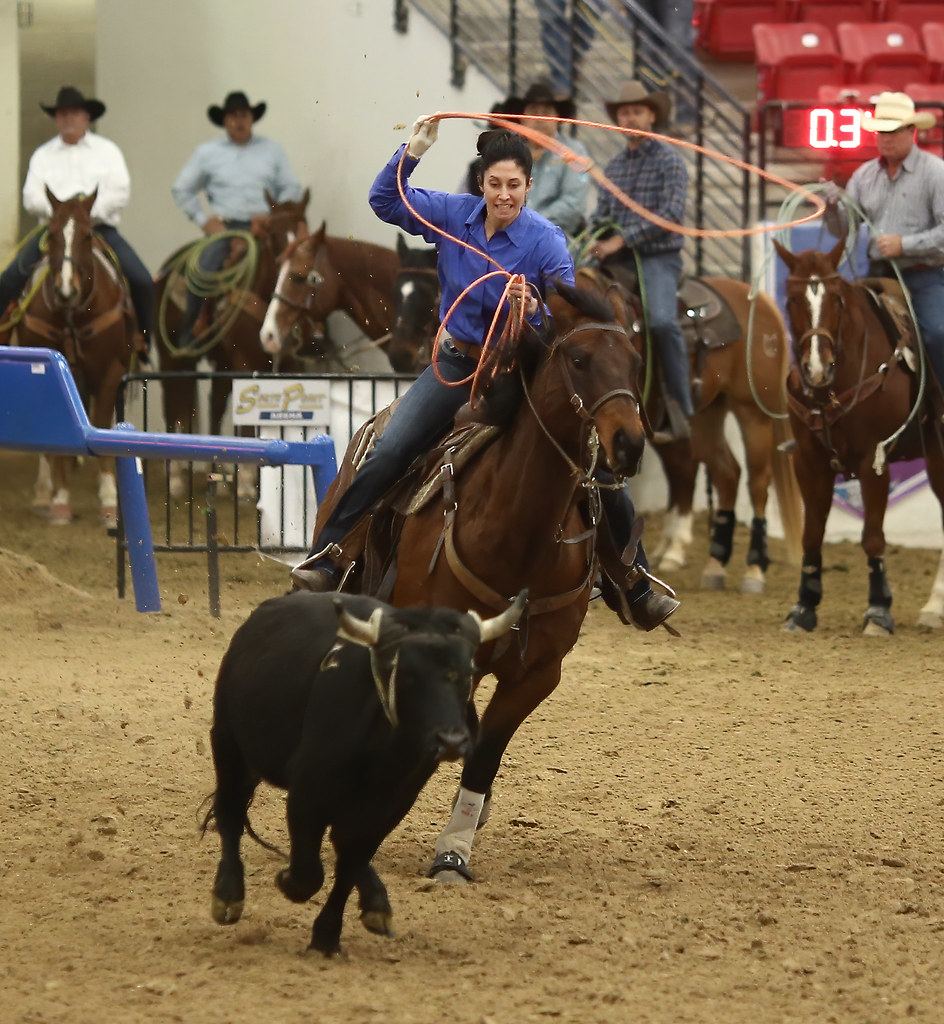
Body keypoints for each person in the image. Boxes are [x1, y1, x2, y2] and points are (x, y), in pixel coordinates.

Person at [291, 117, 679, 631]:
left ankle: (632, 582)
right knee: (392, 448)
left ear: (528, 187)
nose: (504, 195)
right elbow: (385, 202)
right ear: (482, 185)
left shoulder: (546, 241)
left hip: (523, 365)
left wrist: (534, 308)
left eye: (513, 185)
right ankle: (328, 556)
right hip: (457, 362)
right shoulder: (452, 215)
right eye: (495, 184)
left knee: (594, 464)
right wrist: (412, 151)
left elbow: (566, 311)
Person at [0, 85, 154, 350]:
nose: (68, 118)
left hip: (98, 229)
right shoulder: (43, 155)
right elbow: (31, 197)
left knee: (142, 280)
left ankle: (142, 339)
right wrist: (62, 215)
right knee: (10, 278)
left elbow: (120, 191)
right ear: (56, 119)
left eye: (74, 113)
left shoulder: (107, 151)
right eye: (62, 114)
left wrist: (85, 215)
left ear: (86, 118)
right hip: (55, 231)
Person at [589, 80, 692, 442]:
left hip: (658, 257)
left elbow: (671, 212)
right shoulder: (613, 167)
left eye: (636, 111)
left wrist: (622, 238)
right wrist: (594, 236)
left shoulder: (671, 161)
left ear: (651, 115)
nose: (629, 117)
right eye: (624, 112)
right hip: (619, 260)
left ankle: (681, 405)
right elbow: (602, 213)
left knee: (662, 321)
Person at [823, 91, 944, 395]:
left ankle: (939, 399)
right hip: (879, 274)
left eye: (892, 132)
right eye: (881, 132)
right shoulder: (865, 176)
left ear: (910, 132)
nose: (884, 139)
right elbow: (844, 227)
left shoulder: (935, 173)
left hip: (923, 275)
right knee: (842, 330)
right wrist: (833, 206)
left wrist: (906, 245)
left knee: (937, 333)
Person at [170, 91, 302, 347]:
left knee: (301, 268)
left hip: (265, 226)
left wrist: (274, 214)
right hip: (226, 229)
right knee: (203, 270)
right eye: (232, 116)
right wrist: (203, 220)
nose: (238, 121)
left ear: (252, 118)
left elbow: (291, 188)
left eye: (243, 115)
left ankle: (309, 331)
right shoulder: (207, 153)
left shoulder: (272, 151)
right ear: (224, 121)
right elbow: (181, 188)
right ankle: (191, 330)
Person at [505, 79, 591, 237]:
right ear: (522, 118)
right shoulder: (509, 151)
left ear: (557, 118)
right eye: (533, 112)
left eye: (546, 112)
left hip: (556, 238)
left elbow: (574, 205)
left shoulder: (573, 151)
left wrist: (530, 224)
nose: (539, 119)